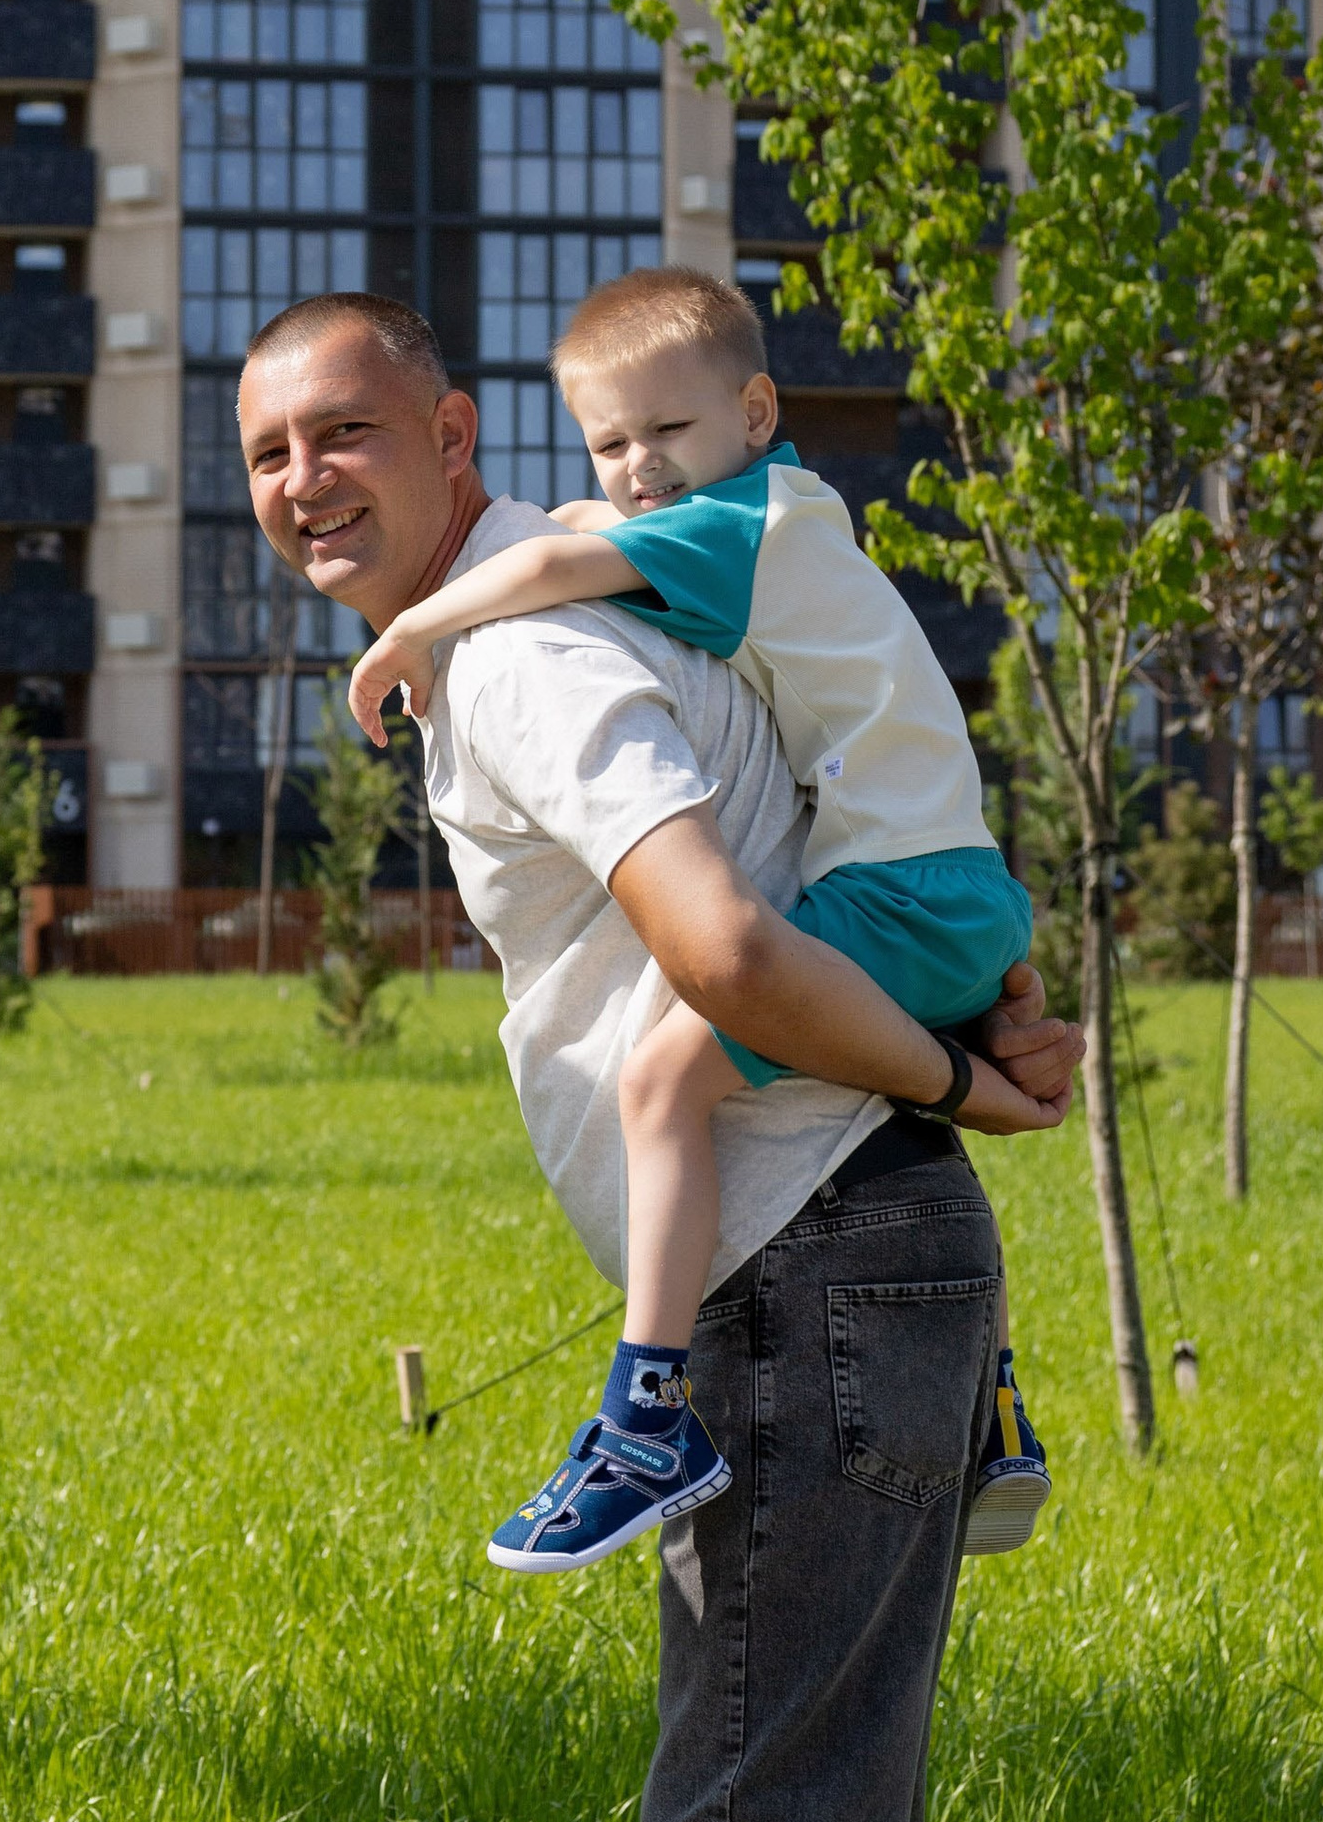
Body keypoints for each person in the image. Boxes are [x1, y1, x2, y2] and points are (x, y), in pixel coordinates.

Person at [236, 291, 1081, 1822]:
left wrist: (953, 1075)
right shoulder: (609, 595)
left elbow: (714, 947)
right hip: (865, 1261)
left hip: (805, 1283)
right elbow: (846, 791)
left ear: (451, 435)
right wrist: (970, 1025)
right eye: (265, 454)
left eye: (340, 434)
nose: (301, 483)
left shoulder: (522, 655)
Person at [342, 267, 1048, 1579]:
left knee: (663, 1078)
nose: (641, 468)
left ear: (756, 411)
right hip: (953, 883)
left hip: (898, 891)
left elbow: (555, 559)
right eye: (610, 443)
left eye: (668, 431)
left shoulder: (740, 530)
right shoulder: (785, 517)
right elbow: (586, 533)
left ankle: (646, 1415)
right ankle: (996, 1407)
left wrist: (412, 633)